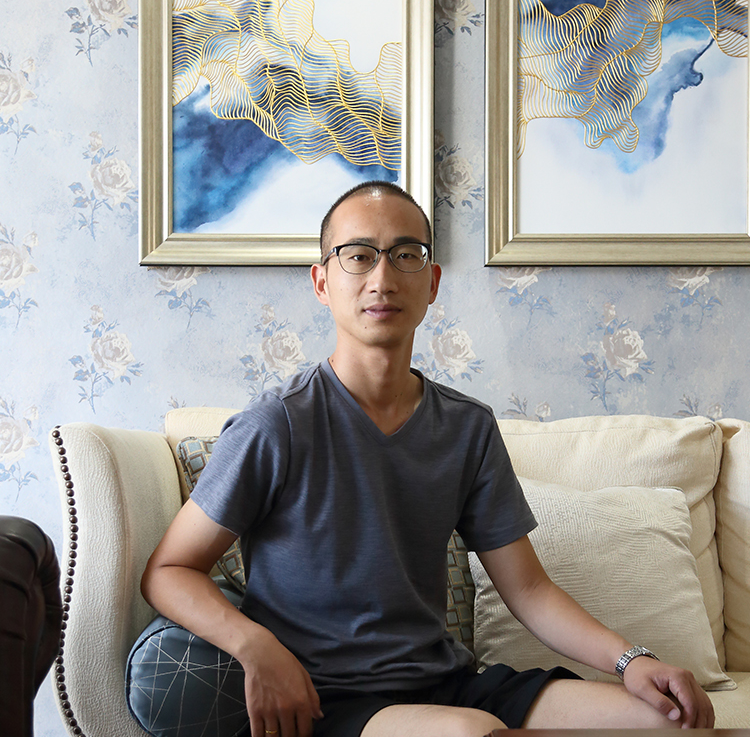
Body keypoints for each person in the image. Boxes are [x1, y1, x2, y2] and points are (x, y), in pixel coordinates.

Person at [140, 181, 714, 737]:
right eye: (358, 256)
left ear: (432, 281)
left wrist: (631, 659)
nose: (382, 279)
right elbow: (168, 571)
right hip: (327, 701)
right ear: (321, 282)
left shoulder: (467, 427)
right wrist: (254, 645)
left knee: (668, 722)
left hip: (448, 685)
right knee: (469, 734)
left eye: (405, 255)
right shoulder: (277, 424)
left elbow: (529, 591)